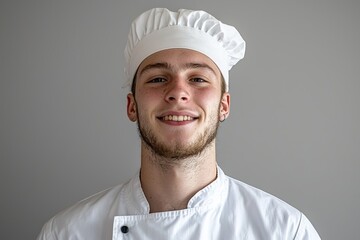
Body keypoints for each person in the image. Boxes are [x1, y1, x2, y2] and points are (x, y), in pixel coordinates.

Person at [37, 8, 321, 239]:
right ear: (132, 106)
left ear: (224, 105)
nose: (177, 92)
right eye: (158, 79)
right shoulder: (66, 232)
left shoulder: (284, 230)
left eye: (198, 78)